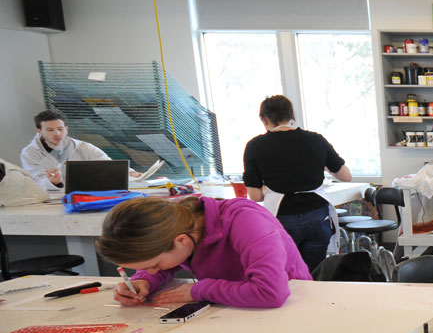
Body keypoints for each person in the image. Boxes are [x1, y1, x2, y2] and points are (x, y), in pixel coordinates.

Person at [96, 195, 310, 309]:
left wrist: (199, 290)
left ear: (181, 240)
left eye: (156, 265)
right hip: (238, 308)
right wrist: (143, 281)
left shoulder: (246, 221)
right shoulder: (183, 226)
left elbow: (271, 293)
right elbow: (172, 257)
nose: (153, 271)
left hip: (297, 305)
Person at [241, 95, 352, 271]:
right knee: (313, 274)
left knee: (287, 276)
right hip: (317, 216)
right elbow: (346, 176)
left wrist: (267, 186)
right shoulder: (316, 140)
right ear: (292, 116)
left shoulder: (255, 146)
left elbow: (255, 197)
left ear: (264, 119)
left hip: (282, 219)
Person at [21, 109, 139, 192]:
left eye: (60, 129)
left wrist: (131, 173)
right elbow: (36, 182)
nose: (57, 134)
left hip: (87, 195)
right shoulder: (29, 153)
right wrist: (52, 182)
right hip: (53, 199)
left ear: (66, 129)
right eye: (50, 130)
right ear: (39, 131)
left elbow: (108, 165)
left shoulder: (83, 147)